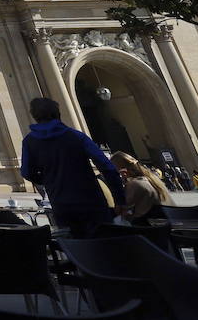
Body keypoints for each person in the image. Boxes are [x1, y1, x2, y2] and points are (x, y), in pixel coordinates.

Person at [20, 97, 125, 237]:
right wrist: (120, 199)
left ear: (34, 116)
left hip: (61, 204)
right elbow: (108, 168)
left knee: (77, 248)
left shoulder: (29, 142)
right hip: (91, 201)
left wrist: (49, 180)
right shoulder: (76, 136)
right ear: (58, 114)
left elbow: (27, 172)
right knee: (104, 243)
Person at [112, 151, 170, 224]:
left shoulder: (134, 184)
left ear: (122, 171)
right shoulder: (152, 179)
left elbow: (121, 211)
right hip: (164, 223)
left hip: (147, 226)